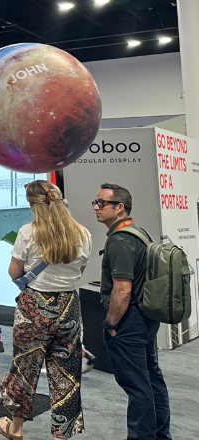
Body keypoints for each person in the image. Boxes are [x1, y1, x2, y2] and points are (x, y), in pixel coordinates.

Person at [0, 181, 91, 440]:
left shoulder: (28, 232)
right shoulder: (83, 233)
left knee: (24, 367)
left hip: (34, 306)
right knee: (66, 372)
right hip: (69, 307)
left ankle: (15, 428)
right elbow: (79, 272)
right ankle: (61, 435)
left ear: (33, 205)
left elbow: (14, 273)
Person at [94, 183, 171, 440]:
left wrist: (110, 323)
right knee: (151, 379)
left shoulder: (120, 241)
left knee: (137, 386)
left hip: (129, 321)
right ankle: (160, 435)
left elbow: (122, 290)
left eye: (102, 203)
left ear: (119, 207)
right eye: (95, 202)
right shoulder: (140, 233)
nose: (96, 207)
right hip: (146, 317)